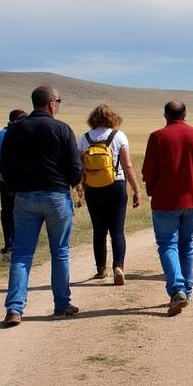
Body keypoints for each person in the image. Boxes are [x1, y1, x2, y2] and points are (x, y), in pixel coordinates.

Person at [0, 85, 82, 327]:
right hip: (56, 196)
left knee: (22, 254)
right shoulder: (62, 129)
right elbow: (75, 167)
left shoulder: (15, 130)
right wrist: (70, 182)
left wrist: (14, 188)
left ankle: (14, 309)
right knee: (60, 252)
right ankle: (61, 304)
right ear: (51, 104)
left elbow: (5, 166)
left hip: (24, 198)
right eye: (59, 101)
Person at [142, 101, 193, 316]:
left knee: (167, 245)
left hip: (165, 202)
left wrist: (152, 189)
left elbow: (148, 171)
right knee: (187, 243)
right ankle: (186, 291)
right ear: (185, 114)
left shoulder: (157, 137)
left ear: (165, 115)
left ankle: (178, 289)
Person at [76, 103, 141, 285]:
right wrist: (136, 190)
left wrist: (81, 188)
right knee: (117, 230)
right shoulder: (119, 136)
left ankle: (101, 269)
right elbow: (127, 166)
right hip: (116, 185)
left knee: (99, 230)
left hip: (93, 187)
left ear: (93, 119)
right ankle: (118, 266)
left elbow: (80, 167)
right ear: (113, 118)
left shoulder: (84, 138)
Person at [0, 109, 27, 254]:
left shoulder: (0, 135)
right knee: (24, 211)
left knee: (7, 211)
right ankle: (22, 242)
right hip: (24, 179)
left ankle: (9, 243)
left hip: (4, 179)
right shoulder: (26, 133)